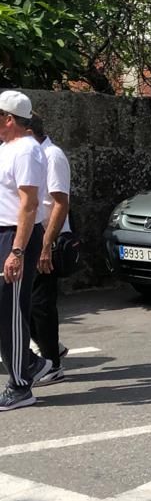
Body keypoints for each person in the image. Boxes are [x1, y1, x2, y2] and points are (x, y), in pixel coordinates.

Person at [0, 91, 51, 412]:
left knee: (11, 311)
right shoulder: (6, 148)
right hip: (2, 234)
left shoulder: (27, 151)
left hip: (17, 237)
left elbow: (29, 204)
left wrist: (17, 251)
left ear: (8, 118)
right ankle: (30, 364)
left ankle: (20, 385)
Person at [26, 113, 72, 386]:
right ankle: (51, 346)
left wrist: (46, 245)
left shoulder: (52, 156)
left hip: (47, 235)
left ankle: (52, 363)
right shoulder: (29, 156)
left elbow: (59, 203)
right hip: (29, 234)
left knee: (41, 303)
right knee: (26, 303)